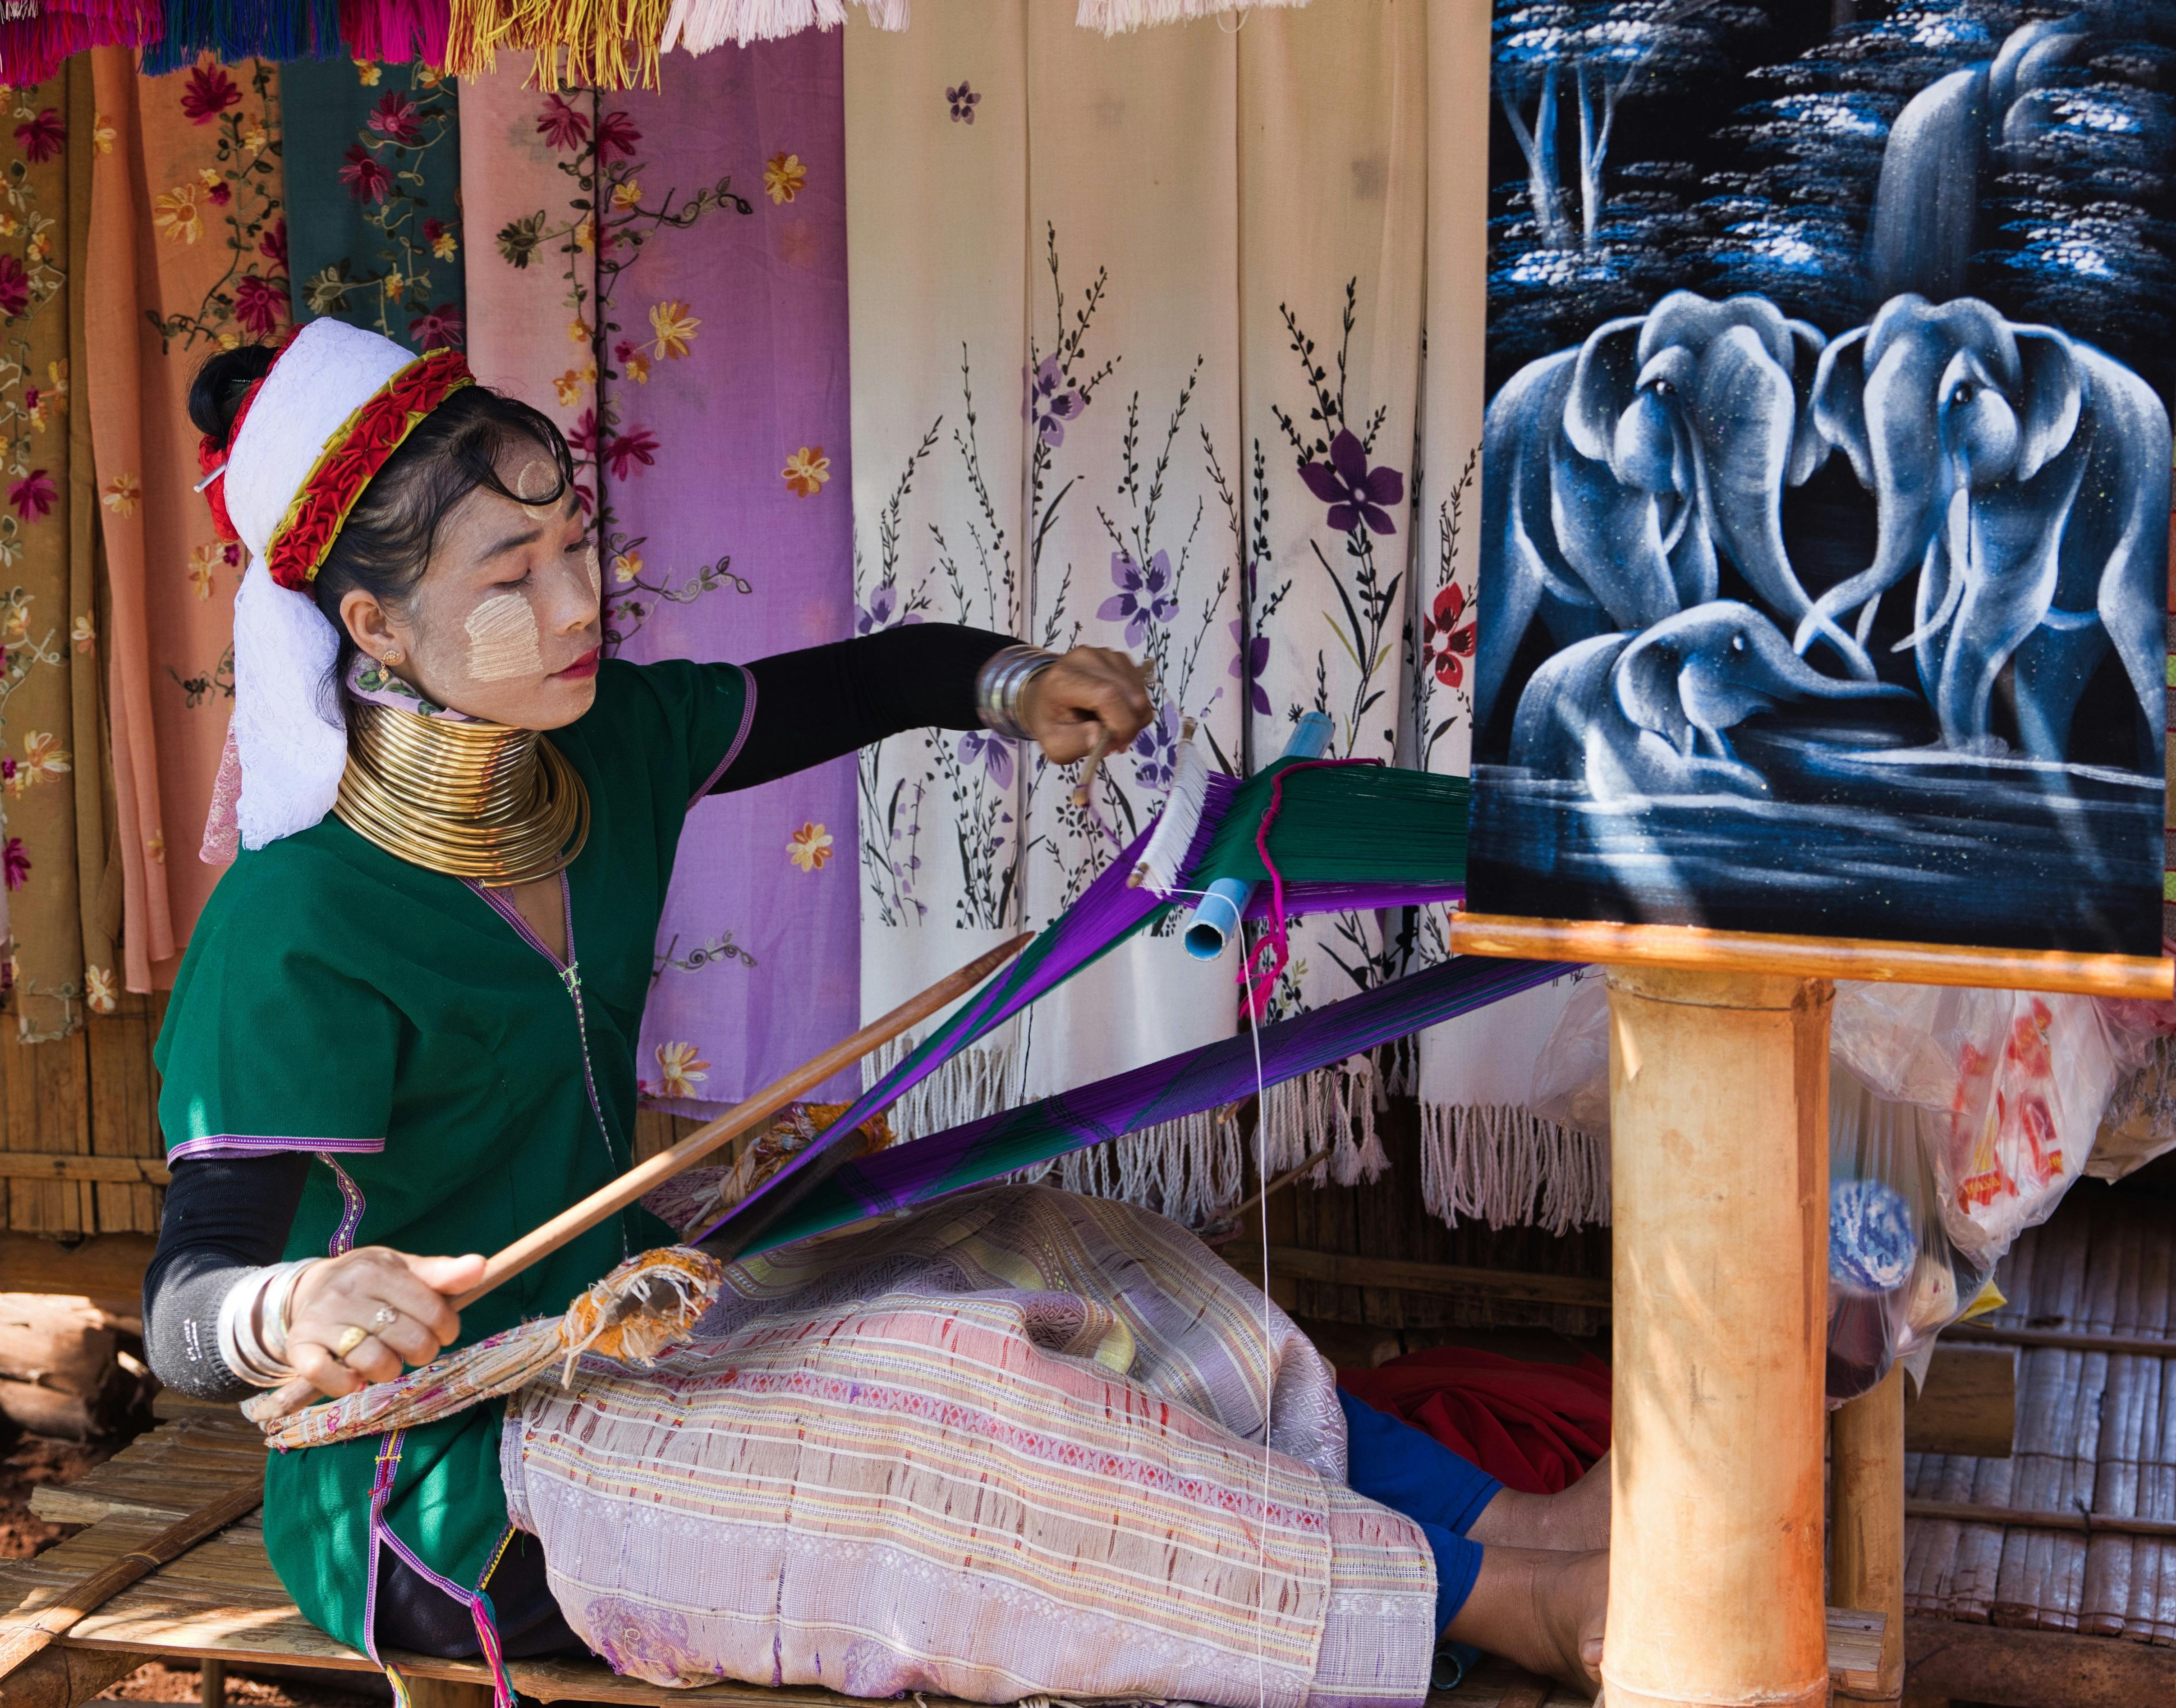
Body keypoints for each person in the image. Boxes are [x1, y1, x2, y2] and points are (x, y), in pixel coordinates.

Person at [142, 319, 1609, 1706]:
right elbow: (182, 1310)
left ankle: (1513, 1526)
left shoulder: (600, 746)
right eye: (511, 575)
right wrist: (291, 1308)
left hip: (629, 1324)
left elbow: (882, 677)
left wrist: (1017, 685)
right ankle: (1500, 1606)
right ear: (375, 626)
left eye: (576, 544)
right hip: (444, 1474)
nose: (578, 603)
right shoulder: (300, 921)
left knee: (1068, 1246)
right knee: (942, 1398)